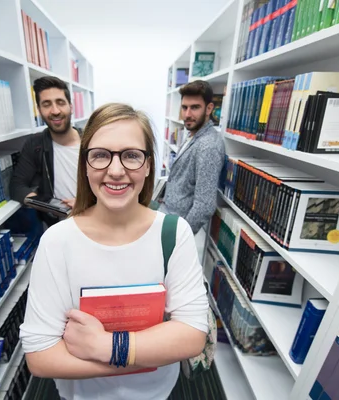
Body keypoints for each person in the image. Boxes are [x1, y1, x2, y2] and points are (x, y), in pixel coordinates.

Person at [19, 103, 208, 400]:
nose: (116, 171)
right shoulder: (57, 241)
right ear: (85, 164)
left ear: (148, 165)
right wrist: (141, 358)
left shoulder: (174, 233)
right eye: (100, 156)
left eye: (132, 155)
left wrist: (104, 348)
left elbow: (193, 334)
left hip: (157, 393)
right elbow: (41, 356)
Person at [10, 76, 81, 227]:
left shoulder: (92, 142)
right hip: (59, 228)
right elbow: (17, 186)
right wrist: (48, 205)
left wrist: (86, 204)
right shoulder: (35, 144)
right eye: (47, 104)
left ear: (71, 107)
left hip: (96, 222)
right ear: (39, 110)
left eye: (60, 103)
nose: (55, 111)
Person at [160, 80, 225, 234]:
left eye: (195, 108)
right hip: (168, 214)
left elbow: (205, 205)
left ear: (209, 108)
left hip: (177, 228)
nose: (187, 114)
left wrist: (180, 238)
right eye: (184, 107)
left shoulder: (208, 146)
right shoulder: (193, 134)